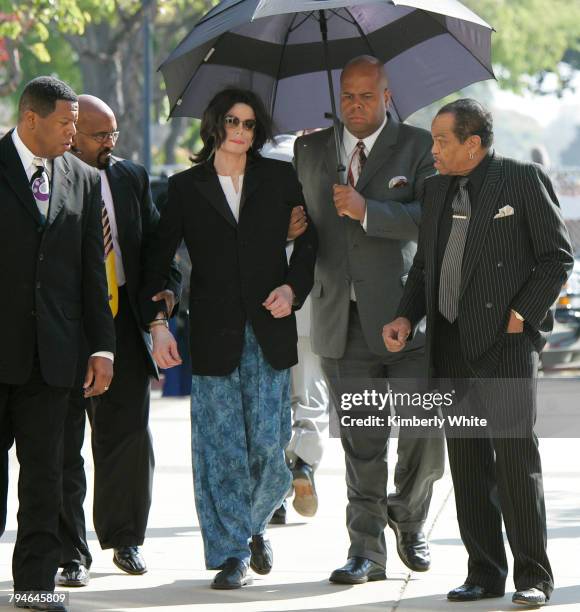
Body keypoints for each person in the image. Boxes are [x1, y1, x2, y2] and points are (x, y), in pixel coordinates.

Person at [383, 98, 573, 607]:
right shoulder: (435, 187)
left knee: (515, 461)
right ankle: (483, 573)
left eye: (443, 140)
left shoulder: (520, 179)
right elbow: (425, 265)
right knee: (468, 466)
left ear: (473, 143)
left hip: (506, 347)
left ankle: (533, 576)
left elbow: (557, 257)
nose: (434, 149)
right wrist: (406, 316)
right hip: (448, 346)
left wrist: (520, 316)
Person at [141, 87, 317, 589]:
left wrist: (291, 287)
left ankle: (256, 524)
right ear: (215, 126)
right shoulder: (184, 187)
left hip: (269, 327)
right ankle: (231, 551)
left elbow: (309, 242)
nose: (241, 132)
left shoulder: (280, 178)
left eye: (249, 125)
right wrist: (157, 321)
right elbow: (160, 259)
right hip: (214, 334)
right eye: (233, 123)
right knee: (219, 450)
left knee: (267, 447)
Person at [294, 55, 444, 584]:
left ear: (386, 97)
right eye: (347, 97)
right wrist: (292, 231)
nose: (355, 106)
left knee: (426, 432)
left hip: (406, 318)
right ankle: (366, 552)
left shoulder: (420, 146)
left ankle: (408, 511)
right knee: (362, 441)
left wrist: (367, 210)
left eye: (366, 96)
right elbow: (307, 226)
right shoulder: (309, 150)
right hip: (341, 318)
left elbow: (433, 219)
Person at [55, 95, 181, 587]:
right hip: (68, 329)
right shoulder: (49, 180)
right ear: (71, 134)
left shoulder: (128, 177)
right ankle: (70, 553)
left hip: (122, 323)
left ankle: (125, 538)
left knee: (128, 439)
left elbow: (154, 244)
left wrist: (163, 301)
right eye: (98, 135)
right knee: (64, 444)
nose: (110, 144)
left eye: (114, 134)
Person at [0, 77, 115, 611]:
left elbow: (92, 272)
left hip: (55, 357)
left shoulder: (85, 180)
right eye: (67, 122)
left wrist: (102, 348)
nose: (76, 132)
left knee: (46, 477)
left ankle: (34, 584)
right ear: (30, 119)